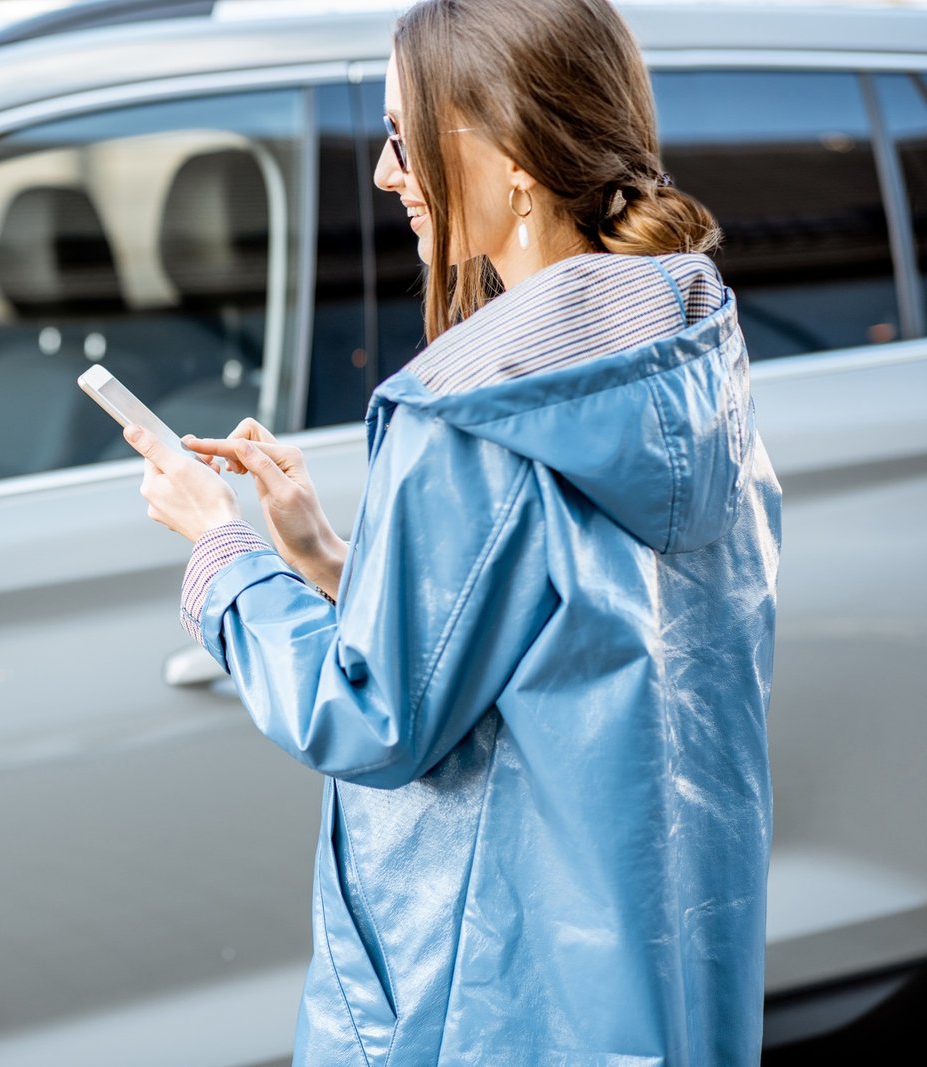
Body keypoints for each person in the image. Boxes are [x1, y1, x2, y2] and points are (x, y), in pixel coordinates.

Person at [121, 0, 781, 1063]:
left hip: (487, 1002)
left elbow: (368, 717)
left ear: (514, 151)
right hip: (661, 977)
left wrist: (223, 551)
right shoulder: (691, 360)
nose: (387, 171)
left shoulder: (466, 412)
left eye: (402, 132)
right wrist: (327, 560)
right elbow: (559, 639)